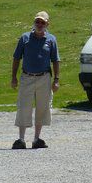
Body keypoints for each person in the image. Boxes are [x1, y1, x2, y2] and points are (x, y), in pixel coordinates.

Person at [11, 11, 61, 149]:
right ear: (34, 23)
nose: (39, 24)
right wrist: (13, 77)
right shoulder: (25, 38)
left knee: (42, 107)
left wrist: (56, 80)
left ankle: (36, 139)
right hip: (27, 77)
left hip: (44, 78)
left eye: (42, 22)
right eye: (37, 22)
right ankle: (20, 139)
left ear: (47, 24)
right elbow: (16, 58)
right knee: (23, 106)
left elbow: (56, 60)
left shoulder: (51, 39)